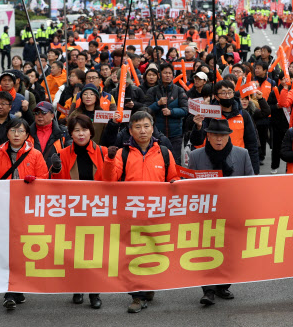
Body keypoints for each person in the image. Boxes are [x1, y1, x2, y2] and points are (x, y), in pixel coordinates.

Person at [101, 111, 178, 313]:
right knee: (133, 253)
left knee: (153, 251)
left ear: (153, 128)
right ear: (130, 131)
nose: (142, 131)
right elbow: (108, 181)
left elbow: (173, 180)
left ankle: (147, 285)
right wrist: (109, 160)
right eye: (137, 127)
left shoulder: (164, 152)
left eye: (146, 126)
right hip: (131, 212)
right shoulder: (122, 153)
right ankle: (137, 295)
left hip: (156, 213)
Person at [0, 117, 47, 310]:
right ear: (7, 133)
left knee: (21, 249)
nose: (16, 134)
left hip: (27, 209)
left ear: (27, 134)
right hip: (4, 208)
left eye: (20, 131)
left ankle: (15, 289)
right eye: (13, 130)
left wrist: (34, 182)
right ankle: (11, 290)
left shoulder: (35, 154)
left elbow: (44, 179)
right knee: (7, 248)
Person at [188, 119, 253, 305]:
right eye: (215, 135)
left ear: (228, 137)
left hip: (232, 211)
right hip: (206, 213)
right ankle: (208, 290)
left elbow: (251, 184)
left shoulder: (242, 154)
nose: (219, 140)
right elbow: (188, 187)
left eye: (223, 136)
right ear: (208, 136)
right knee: (207, 251)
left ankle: (223, 286)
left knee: (229, 251)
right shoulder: (196, 156)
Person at [50, 114, 106, 309]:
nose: (81, 134)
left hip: (96, 210)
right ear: (70, 133)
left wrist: (112, 161)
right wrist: (55, 169)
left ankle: (94, 292)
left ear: (91, 131)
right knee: (74, 251)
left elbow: (110, 180)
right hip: (72, 210)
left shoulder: (103, 151)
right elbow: (57, 186)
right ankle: (77, 287)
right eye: (76, 130)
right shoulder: (64, 154)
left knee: (94, 252)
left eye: (84, 130)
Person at [190, 80, 260, 174]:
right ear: (216, 97)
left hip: (237, 160)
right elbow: (197, 141)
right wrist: (198, 127)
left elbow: (252, 144)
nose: (227, 96)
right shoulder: (209, 114)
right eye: (223, 93)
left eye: (230, 92)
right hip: (212, 162)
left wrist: (254, 169)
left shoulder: (243, 115)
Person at [145, 63, 189, 165]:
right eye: (165, 73)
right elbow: (146, 110)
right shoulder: (153, 91)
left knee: (175, 161)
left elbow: (185, 110)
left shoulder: (179, 90)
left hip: (175, 135)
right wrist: (158, 104)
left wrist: (171, 112)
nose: (168, 75)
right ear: (160, 75)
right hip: (157, 134)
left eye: (170, 73)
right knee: (158, 161)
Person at [29, 101, 71, 169]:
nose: (39, 115)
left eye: (43, 112)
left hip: (54, 174)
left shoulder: (63, 132)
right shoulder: (27, 132)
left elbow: (70, 152)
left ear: (52, 116)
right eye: (37, 113)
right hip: (31, 173)